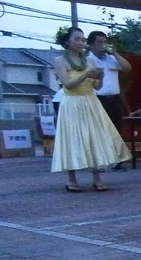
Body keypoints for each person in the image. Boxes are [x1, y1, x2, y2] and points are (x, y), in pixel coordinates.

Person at [51, 27, 131, 192]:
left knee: (94, 138)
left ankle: (97, 177)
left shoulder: (89, 61)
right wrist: (86, 74)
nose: (81, 43)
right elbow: (68, 84)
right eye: (77, 39)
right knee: (72, 138)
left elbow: (97, 86)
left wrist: (99, 77)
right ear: (67, 42)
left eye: (82, 40)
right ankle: (71, 179)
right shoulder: (60, 60)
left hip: (90, 101)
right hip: (72, 103)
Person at [86, 30, 133, 171]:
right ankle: (100, 162)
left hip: (114, 98)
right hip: (97, 98)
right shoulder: (88, 59)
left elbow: (127, 68)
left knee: (116, 130)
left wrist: (115, 53)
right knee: (99, 130)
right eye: (99, 42)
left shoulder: (111, 58)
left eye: (105, 42)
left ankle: (117, 161)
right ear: (92, 44)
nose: (103, 45)